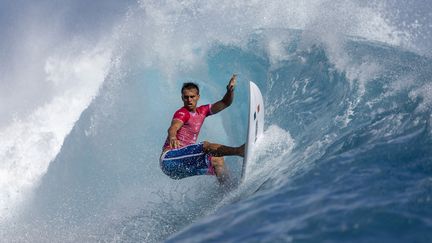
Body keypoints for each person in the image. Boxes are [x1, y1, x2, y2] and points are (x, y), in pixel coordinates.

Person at [160, 74, 244, 184]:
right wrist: (172, 137)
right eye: (186, 97)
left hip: (184, 164)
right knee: (205, 146)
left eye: (192, 97)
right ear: (182, 98)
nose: (189, 100)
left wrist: (230, 90)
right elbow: (173, 127)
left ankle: (229, 189)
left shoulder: (202, 111)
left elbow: (225, 103)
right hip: (169, 160)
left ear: (198, 97)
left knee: (217, 160)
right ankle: (240, 151)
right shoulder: (182, 113)